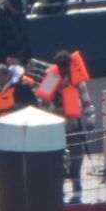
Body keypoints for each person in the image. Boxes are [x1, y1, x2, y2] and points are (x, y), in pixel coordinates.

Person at [37, 50, 94, 202]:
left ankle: (77, 188)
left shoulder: (76, 80)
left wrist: (89, 120)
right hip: (55, 127)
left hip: (73, 125)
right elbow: (43, 104)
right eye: (60, 67)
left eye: (65, 66)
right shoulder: (51, 79)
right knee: (57, 160)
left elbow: (86, 100)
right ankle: (59, 191)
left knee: (76, 157)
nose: (63, 70)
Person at [0, 0, 29, 66]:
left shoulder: (21, 16)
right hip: (5, 61)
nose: (16, 11)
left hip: (21, 59)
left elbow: (25, 39)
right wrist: (5, 59)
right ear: (8, 4)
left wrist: (28, 57)